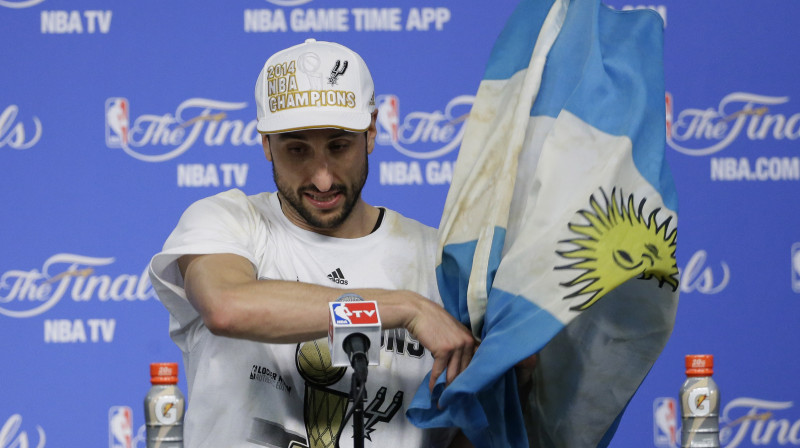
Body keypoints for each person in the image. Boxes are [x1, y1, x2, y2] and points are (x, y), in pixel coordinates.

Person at [149, 38, 476, 447]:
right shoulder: (228, 221)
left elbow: (474, 425)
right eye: (298, 150)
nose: (322, 179)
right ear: (266, 143)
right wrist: (405, 308)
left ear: (371, 132)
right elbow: (226, 306)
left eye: (338, 147)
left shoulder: (441, 261)